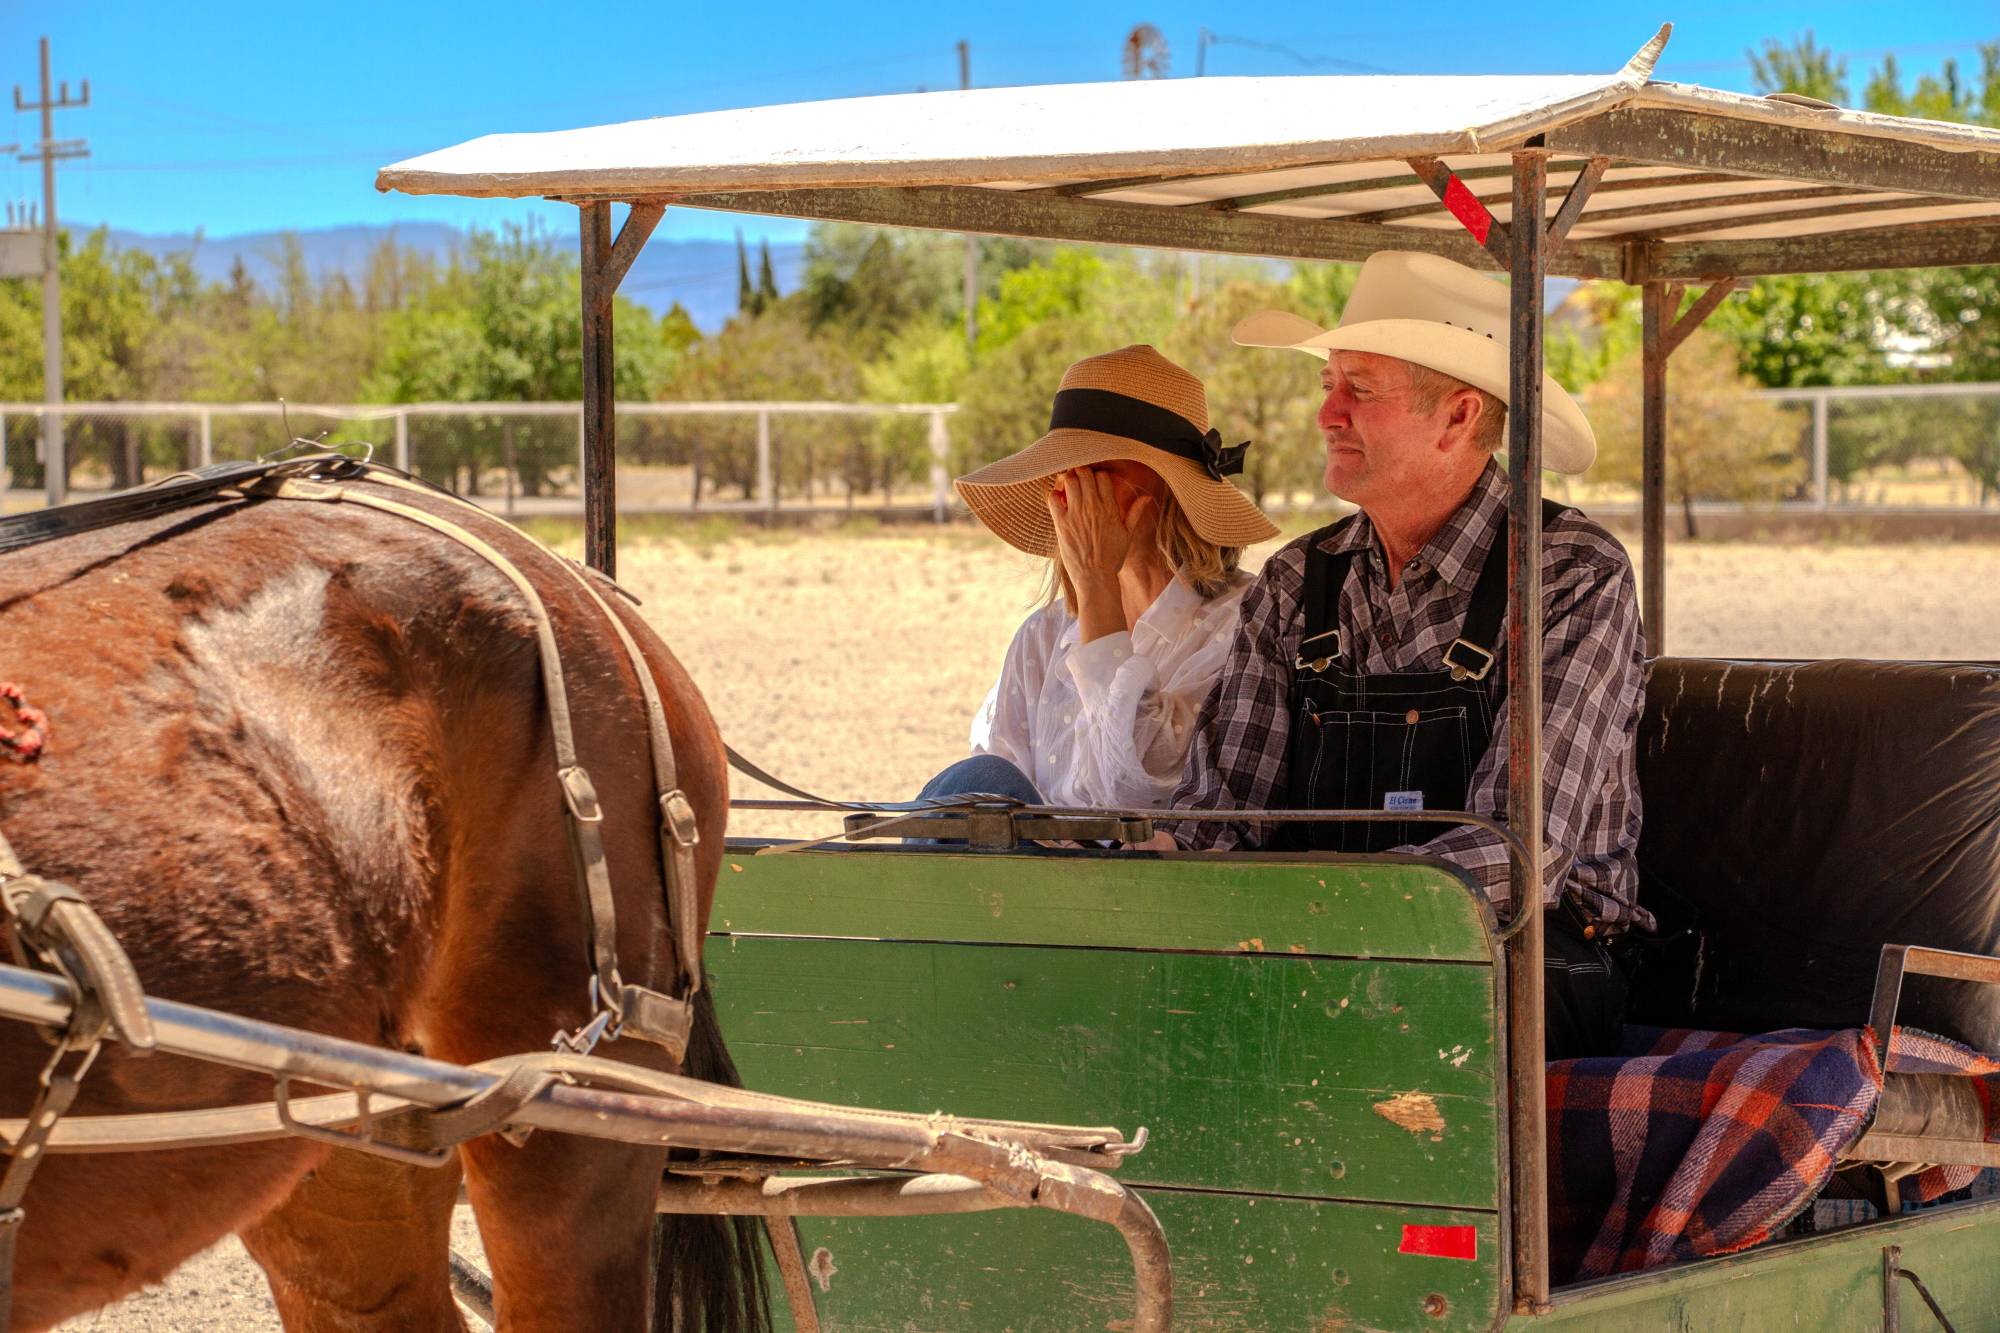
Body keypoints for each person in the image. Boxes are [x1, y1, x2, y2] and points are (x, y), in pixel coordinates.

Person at [1163, 252, 1651, 1059]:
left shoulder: (1568, 573)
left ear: (1458, 417)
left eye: (1360, 388)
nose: (1327, 413)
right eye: (1329, 384)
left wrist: (1313, 921)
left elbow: (1514, 854)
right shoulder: (1296, 580)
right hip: (1316, 949)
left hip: (1536, 963)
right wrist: (1153, 860)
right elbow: (1221, 818)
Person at [916, 344, 1280, 822]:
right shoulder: (1043, 638)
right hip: (1038, 891)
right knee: (974, 784)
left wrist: (1095, 584)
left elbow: (1143, 790)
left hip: (1160, 888)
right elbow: (991, 795)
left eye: (1099, 468)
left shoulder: (1243, 625)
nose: (1074, 488)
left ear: (1164, 487)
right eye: (1065, 469)